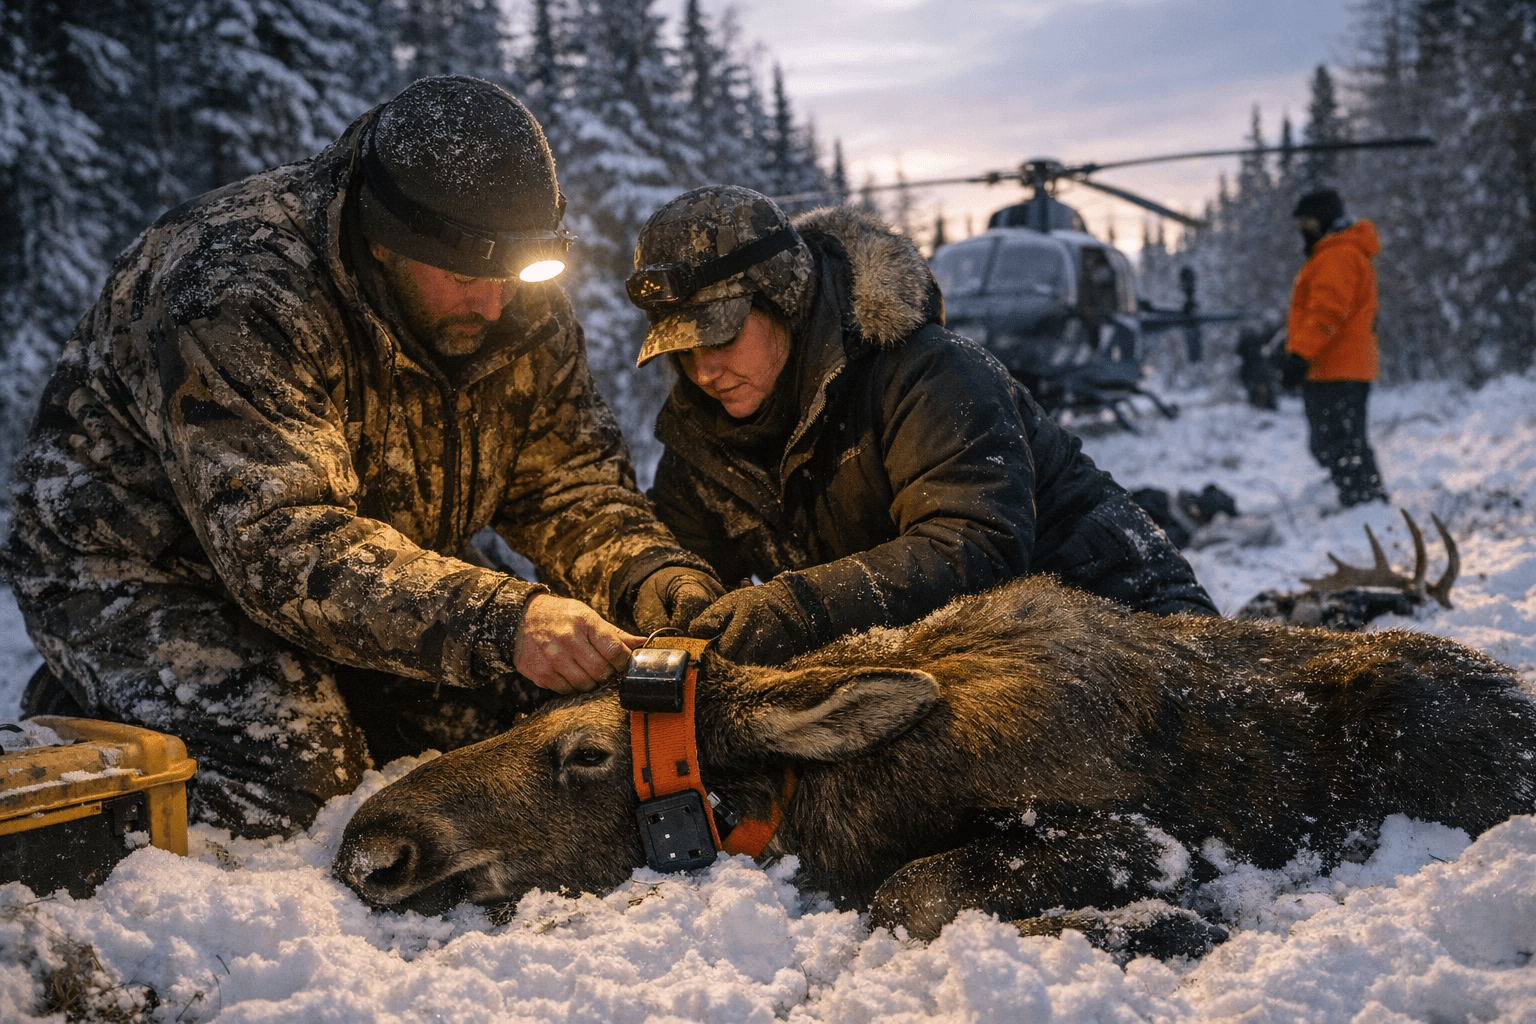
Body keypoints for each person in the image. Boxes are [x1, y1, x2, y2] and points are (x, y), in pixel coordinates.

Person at [0, 76, 723, 838]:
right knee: (294, 766)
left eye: (513, 278)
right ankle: (81, 713)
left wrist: (652, 578)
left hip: (376, 570)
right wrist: (503, 621)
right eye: (464, 280)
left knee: (539, 724)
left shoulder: (511, 291)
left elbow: (569, 484)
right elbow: (281, 543)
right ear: (385, 240)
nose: (494, 305)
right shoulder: (238, 286)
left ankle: (337, 689)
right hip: (140, 572)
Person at [624, 185, 1217, 665]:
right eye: (681, 347)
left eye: (721, 335)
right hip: (984, 669)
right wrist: (669, 585)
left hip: (1141, 636)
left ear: (785, 298)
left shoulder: (926, 372)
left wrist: (796, 608)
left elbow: (973, 548)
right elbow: (683, 553)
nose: (703, 371)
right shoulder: (701, 435)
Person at [1281, 188, 1389, 508]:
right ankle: (1362, 499)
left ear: (1325, 221)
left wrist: (1300, 354)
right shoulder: (1336, 253)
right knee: (1338, 442)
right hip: (1337, 366)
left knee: (1339, 443)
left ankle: (1364, 502)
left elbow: (1327, 312)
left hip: (1338, 368)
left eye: (1308, 221)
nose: (1303, 229)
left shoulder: (1337, 255)